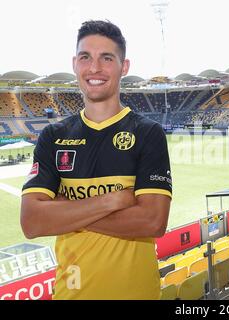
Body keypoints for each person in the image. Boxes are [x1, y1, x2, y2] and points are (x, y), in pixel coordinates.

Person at [20, 20, 172, 300]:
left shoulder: (148, 133)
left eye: (107, 58)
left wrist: (66, 212)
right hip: (72, 294)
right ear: (75, 64)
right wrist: (111, 201)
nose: (94, 68)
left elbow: (152, 221)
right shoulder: (53, 136)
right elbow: (32, 222)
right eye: (85, 57)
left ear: (123, 67)